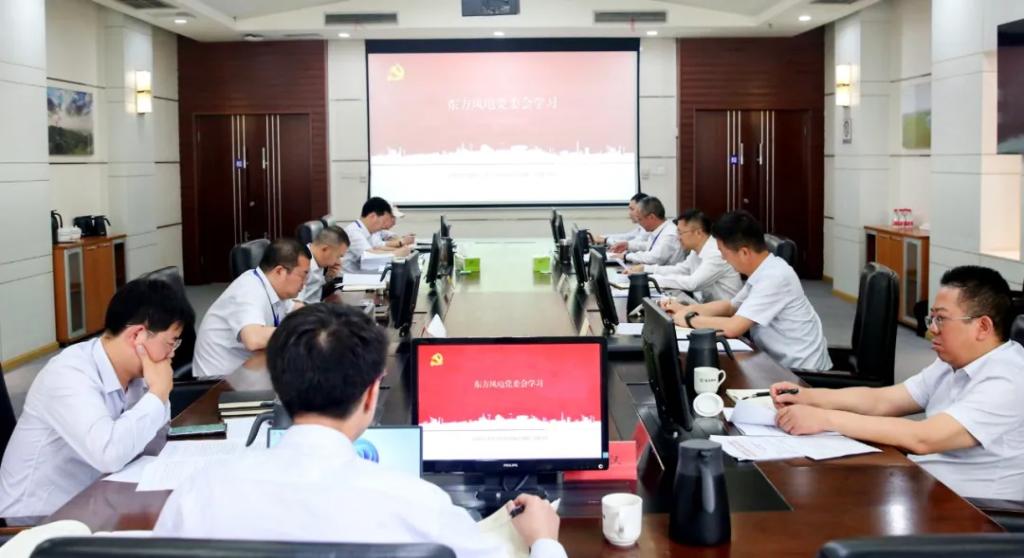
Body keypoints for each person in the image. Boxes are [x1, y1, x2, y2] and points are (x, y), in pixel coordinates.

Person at [154, 304, 567, 558]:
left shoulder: (201, 492)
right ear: (372, 393)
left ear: (278, 384)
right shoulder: (419, 505)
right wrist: (544, 540)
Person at [770, 266, 1024, 500]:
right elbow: (884, 400)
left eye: (941, 319)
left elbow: (924, 438)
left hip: (975, 513)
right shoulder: (953, 362)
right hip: (927, 486)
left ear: (983, 326)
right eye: (932, 319)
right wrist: (809, 396)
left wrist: (825, 419)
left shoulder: (1008, 377)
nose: (932, 329)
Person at [0, 279, 192, 520]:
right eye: (171, 342)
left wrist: (156, 395)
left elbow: (156, 441)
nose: (172, 354)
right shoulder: (69, 373)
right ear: (138, 335)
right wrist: (158, 393)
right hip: (37, 521)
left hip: (96, 500)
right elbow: (109, 454)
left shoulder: (137, 373)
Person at [661, 210, 831, 370]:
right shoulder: (763, 270)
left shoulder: (775, 276)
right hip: (772, 362)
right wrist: (686, 309)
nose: (723, 258)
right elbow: (731, 306)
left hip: (801, 373)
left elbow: (733, 327)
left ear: (744, 252)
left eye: (723, 252)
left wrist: (690, 319)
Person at [192, 238, 310, 378]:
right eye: (303, 275)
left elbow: (296, 308)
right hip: (219, 381)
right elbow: (253, 339)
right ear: (280, 271)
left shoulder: (273, 287)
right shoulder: (248, 289)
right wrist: (301, 330)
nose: (305, 283)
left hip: (249, 369)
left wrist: (322, 319)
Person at [625, 208, 742, 302]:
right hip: (705, 306)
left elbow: (692, 283)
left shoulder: (716, 253)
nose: (678, 237)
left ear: (698, 233)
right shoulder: (696, 251)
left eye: (681, 233)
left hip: (726, 316)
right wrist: (645, 269)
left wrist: (650, 279)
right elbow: (681, 270)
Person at [608, 196, 683, 266]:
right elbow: (649, 246)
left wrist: (626, 256)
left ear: (651, 217)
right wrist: (628, 245)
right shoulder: (660, 229)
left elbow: (654, 258)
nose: (639, 223)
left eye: (640, 219)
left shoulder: (670, 234)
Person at [343, 197, 411, 274]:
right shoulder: (354, 232)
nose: (384, 225)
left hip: (359, 275)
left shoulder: (369, 231)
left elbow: (376, 250)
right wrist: (396, 254)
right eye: (384, 221)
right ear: (373, 217)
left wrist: (397, 251)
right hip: (346, 278)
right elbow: (369, 258)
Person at [298, 225, 350, 304]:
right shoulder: (301, 265)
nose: (339, 262)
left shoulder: (319, 260)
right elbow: (296, 305)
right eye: (338, 256)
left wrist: (328, 277)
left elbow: (314, 292)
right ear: (325, 249)